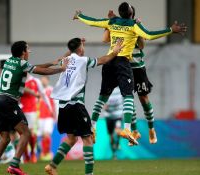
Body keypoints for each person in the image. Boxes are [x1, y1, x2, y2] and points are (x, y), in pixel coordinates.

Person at [74, 2, 187, 144]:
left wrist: (80, 15)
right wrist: (170, 29)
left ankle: (149, 129)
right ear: (130, 14)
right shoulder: (129, 24)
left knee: (134, 98)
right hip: (123, 63)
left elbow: (94, 22)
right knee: (128, 97)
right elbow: (150, 35)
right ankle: (131, 130)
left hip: (127, 65)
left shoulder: (121, 23)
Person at [0, 40, 69, 175]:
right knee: (26, 133)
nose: (28, 52)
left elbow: (33, 67)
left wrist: (53, 63)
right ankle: (14, 165)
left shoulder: (10, 61)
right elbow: (41, 71)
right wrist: (61, 69)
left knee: (5, 138)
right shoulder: (22, 63)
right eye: (27, 50)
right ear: (23, 52)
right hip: (8, 102)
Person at [45, 38, 123, 175]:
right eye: (82, 46)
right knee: (87, 138)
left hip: (63, 106)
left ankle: (52, 166)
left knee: (71, 139)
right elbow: (103, 60)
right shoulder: (83, 60)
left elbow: (67, 55)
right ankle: (89, 174)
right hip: (75, 104)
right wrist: (115, 51)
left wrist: (73, 47)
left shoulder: (66, 60)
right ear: (80, 48)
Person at [102, 7, 157, 145]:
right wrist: (110, 23)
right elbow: (106, 40)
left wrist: (139, 29)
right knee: (128, 98)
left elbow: (142, 46)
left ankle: (151, 128)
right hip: (123, 67)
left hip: (138, 67)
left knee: (143, 98)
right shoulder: (117, 26)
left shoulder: (135, 26)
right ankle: (134, 131)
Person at [20, 74, 52, 163]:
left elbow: (43, 94)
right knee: (22, 134)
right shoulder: (18, 79)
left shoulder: (35, 81)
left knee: (30, 132)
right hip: (20, 109)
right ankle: (26, 155)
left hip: (32, 111)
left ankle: (33, 153)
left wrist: (49, 107)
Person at [38, 76, 57, 161]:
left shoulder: (51, 90)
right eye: (42, 80)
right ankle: (43, 153)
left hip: (49, 116)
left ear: (48, 80)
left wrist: (56, 115)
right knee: (42, 136)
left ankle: (47, 153)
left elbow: (56, 103)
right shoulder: (38, 91)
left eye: (44, 79)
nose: (43, 81)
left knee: (47, 134)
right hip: (39, 117)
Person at [103, 87, 123, 160]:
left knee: (118, 131)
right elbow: (104, 104)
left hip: (118, 115)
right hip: (109, 116)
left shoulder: (120, 90)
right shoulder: (106, 90)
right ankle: (114, 154)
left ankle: (118, 143)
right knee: (111, 136)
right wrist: (105, 106)